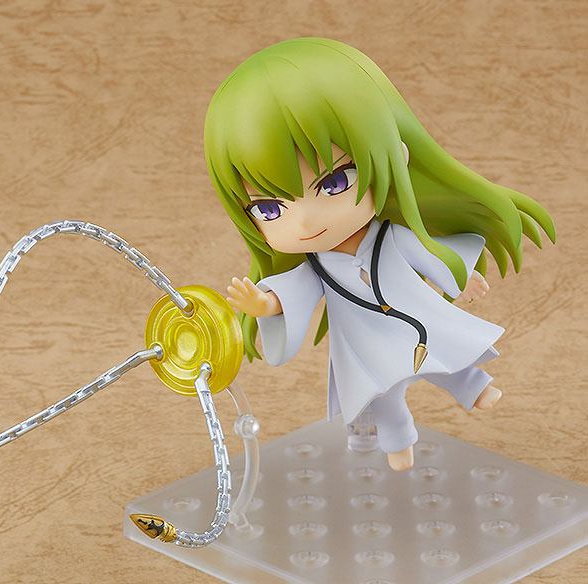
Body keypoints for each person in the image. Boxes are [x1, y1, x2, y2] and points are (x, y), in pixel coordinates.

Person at [203, 37, 555, 471]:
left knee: (439, 349)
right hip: (362, 342)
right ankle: (398, 443)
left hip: (414, 317)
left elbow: (431, 256)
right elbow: (290, 293)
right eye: (270, 209)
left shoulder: (392, 236)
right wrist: (265, 304)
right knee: (381, 394)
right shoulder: (315, 267)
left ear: (392, 155)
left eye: (334, 182)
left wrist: (459, 277)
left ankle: (472, 385)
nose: (307, 222)